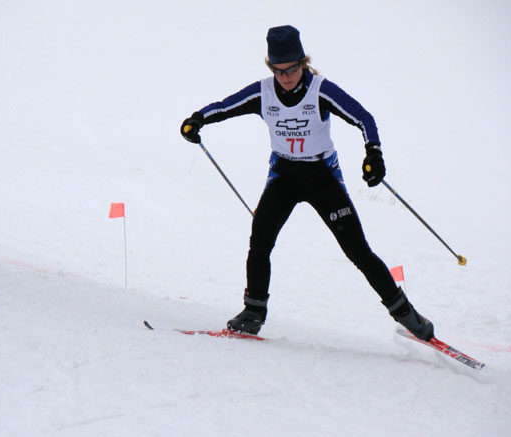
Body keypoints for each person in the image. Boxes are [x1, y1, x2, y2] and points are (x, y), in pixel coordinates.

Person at [180, 25, 434, 340]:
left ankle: (408, 316)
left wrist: (374, 154)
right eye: (279, 70)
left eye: (293, 68)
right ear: (270, 67)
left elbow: (363, 118)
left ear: (303, 62)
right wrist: (197, 119)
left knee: (357, 251)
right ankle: (253, 312)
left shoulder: (320, 90)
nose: (286, 76)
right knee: (259, 241)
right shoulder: (264, 92)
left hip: (321, 177)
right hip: (284, 176)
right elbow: (224, 106)